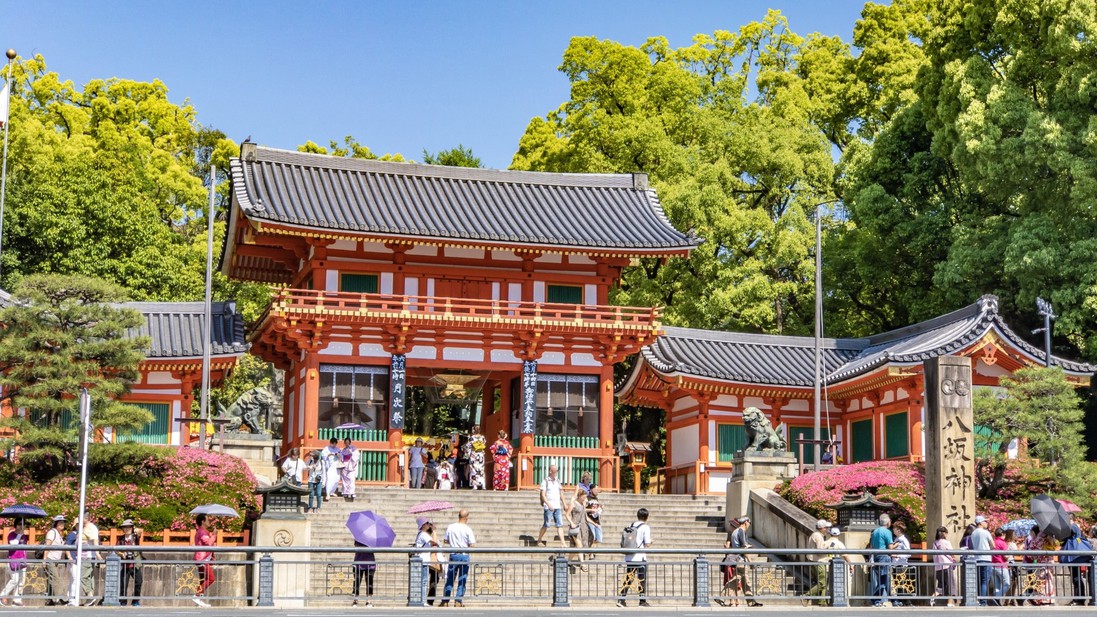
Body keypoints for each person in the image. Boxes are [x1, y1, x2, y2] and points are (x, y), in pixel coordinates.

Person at [616, 508, 653, 607]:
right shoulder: (645, 527)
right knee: (642, 579)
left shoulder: (631, 525)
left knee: (629, 578)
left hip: (629, 556)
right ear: (646, 517)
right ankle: (642, 601)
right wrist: (651, 542)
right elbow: (647, 543)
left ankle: (621, 599)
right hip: (640, 557)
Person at [440, 509, 476, 607]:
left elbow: (445, 540)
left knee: (450, 578)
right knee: (462, 579)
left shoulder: (450, 527)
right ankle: (458, 600)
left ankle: (445, 600)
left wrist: (453, 542)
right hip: (464, 555)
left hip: (453, 554)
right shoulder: (468, 529)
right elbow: (472, 544)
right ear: (466, 517)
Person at [727, 516, 762, 607]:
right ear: (746, 522)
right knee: (738, 580)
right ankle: (725, 596)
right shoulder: (741, 531)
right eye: (749, 523)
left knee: (744, 581)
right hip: (741, 560)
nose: (750, 525)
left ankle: (751, 602)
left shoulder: (735, 531)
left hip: (737, 559)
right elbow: (743, 548)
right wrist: (750, 562)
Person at [536, 464, 567, 547]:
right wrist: (548, 504)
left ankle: (563, 542)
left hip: (557, 505)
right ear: (550, 471)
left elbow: (561, 493)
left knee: (560, 524)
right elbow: (543, 494)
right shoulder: (545, 481)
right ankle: (539, 539)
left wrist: (564, 503)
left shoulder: (558, 481)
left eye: (557, 471)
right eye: (555, 471)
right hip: (549, 506)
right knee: (546, 524)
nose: (556, 472)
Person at [869, 513, 895, 607]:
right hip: (884, 557)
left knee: (881, 579)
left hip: (876, 557)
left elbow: (871, 546)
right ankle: (875, 599)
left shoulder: (875, 531)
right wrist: (896, 545)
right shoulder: (887, 532)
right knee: (884, 580)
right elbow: (890, 547)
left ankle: (878, 599)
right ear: (888, 522)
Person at [414, 517, 441, 606]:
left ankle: (421, 599)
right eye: (427, 523)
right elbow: (433, 542)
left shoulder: (421, 534)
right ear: (423, 525)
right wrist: (434, 534)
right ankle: (423, 600)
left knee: (423, 580)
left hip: (423, 559)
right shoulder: (423, 534)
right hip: (423, 560)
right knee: (424, 581)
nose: (428, 525)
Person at [0, 519, 27, 607]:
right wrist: (19, 535)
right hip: (13, 560)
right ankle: (2, 596)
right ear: (16, 525)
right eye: (19, 524)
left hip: (22, 560)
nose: (21, 526)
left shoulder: (24, 536)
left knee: (22, 581)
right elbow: (13, 544)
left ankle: (17, 599)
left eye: (23, 524)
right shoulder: (11, 535)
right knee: (14, 579)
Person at [43, 515, 68, 606]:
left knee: (51, 580)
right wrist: (44, 560)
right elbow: (47, 546)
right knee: (55, 579)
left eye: (63, 522)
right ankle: (59, 599)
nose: (62, 524)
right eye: (60, 522)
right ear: (55, 523)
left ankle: (49, 600)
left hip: (56, 560)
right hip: (50, 559)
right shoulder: (52, 533)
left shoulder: (59, 534)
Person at [805, 519, 831, 605]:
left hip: (815, 560)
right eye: (826, 528)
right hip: (818, 561)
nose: (827, 529)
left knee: (822, 581)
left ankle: (822, 601)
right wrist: (827, 548)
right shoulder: (818, 536)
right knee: (822, 583)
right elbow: (820, 551)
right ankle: (806, 596)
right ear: (822, 528)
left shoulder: (815, 534)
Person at [969, 515, 993, 607]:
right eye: (985, 521)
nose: (986, 523)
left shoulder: (973, 533)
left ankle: (978, 599)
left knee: (979, 580)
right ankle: (983, 602)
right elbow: (993, 545)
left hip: (977, 559)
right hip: (986, 558)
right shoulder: (985, 532)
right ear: (980, 523)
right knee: (985, 581)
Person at [118, 520, 144, 607]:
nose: (127, 529)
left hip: (135, 564)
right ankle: (123, 601)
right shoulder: (121, 539)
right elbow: (117, 550)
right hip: (125, 564)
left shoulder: (135, 537)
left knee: (139, 582)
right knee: (123, 583)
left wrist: (135, 528)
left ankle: (135, 600)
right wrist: (122, 554)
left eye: (129, 527)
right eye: (125, 527)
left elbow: (140, 531)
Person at [193, 513, 215, 608]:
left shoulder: (202, 531)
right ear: (203, 521)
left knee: (204, 580)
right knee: (211, 578)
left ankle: (199, 599)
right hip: (202, 559)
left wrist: (212, 555)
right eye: (207, 520)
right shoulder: (202, 532)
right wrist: (214, 535)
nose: (209, 522)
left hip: (202, 559)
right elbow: (208, 543)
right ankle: (197, 596)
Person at [932, 526, 956, 606]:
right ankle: (949, 602)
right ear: (945, 533)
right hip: (947, 565)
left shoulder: (935, 542)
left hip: (938, 567)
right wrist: (954, 558)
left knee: (941, 585)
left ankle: (933, 597)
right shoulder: (946, 542)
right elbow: (951, 553)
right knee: (950, 584)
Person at [566, 491, 591, 571]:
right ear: (579, 496)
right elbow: (567, 514)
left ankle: (568, 561)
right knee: (579, 545)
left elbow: (585, 516)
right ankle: (582, 564)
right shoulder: (573, 503)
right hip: (575, 527)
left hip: (583, 527)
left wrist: (594, 524)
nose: (584, 498)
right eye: (583, 497)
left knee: (575, 547)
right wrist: (571, 523)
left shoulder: (583, 504)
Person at [889, 521, 911, 607]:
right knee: (898, 583)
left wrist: (897, 555)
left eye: (894, 529)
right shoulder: (896, 539)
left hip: (901, 564)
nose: (893, 531)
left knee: (901, 583)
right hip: (895, 564)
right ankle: (902, 601)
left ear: (898, 530)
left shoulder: (903, 540)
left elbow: (908, 553)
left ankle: (907, 601)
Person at [351, 541, 376, 607]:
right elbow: (356, 545)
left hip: (370, 564)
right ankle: (355, 600)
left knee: (369, 583)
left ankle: (369, 600)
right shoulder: (358, 538)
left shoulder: (372, 539)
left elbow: (375, 548)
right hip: (359, 563)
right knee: (357, 582)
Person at [991, 527, 1011, 606]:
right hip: (1001, 565)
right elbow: (1006, 556)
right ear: (1002, 534)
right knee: (1007, 584)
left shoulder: (993, 542)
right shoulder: (1003, 543)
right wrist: (1009, 556)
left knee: (997, 585)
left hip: (993, 565)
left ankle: (996, 601)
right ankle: (996, 597)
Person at [468, 425, 487, 490]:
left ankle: (475, 485)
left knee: (473, 470)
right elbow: (484, 444)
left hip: (474, 454)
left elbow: (469, 445)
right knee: (481, 469)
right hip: (481, 454)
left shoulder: (472, 437)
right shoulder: (482, 437)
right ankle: (483, 485)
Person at [586, 487, 604, 555]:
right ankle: (591, 553)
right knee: (592, 537)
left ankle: (592, 551)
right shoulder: (587, 498)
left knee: (599, 539)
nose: (597, 491)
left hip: (597, 520)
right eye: (595, 489)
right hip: (590, 520)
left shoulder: (596, 499)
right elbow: (584, 509)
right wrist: (591, 510)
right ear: (591, 490)